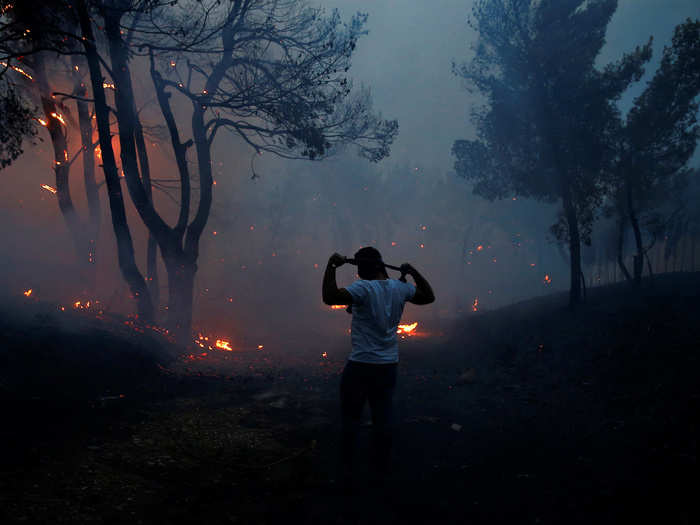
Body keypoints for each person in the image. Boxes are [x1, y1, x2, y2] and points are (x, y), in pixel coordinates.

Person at [322, 246, 435, 489]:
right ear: (382, 265)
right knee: (382, 419)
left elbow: (329, 297)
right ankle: (381, 471)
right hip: (387, 366)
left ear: (364, 270)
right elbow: (428, 296)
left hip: (361, 365)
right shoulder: (399, 288)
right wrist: (413, 271)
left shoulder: (363, 288)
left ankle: (347, 472)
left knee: (351, 419)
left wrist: (331, 266)